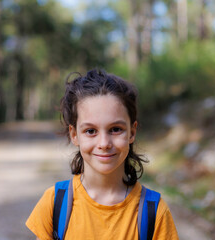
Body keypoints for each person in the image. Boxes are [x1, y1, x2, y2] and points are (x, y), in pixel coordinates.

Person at [26, 69, 179, 240]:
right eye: (91, 131)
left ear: (132, 132)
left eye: (115, 129)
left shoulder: (154, 212)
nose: (104, 143)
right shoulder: (54, 203)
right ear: (74, 134)